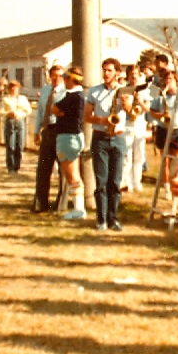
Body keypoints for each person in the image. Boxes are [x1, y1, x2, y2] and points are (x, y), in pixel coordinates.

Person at [85, 58, 128, 231]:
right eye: (104, 70)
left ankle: (113, 218)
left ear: (117, 72)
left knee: (115, 182)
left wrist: (127, 103)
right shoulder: (95, 92)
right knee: (101, 180)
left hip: (118, 138)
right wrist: (101, 119)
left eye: (110, 70)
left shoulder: (124, 91)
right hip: (100, 138)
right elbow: (86, 116)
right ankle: (101, 219)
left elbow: (132, 113)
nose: (106, 73)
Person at [149, 69, 178, 201]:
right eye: (166, 80)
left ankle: (175, 188)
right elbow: (152, 112)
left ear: (176, 81)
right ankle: (166, 188)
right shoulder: (161, 96)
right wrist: (162, 115)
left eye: (171, 79)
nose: (168, 82)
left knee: (176, 162)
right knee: (165, 161)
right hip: (163, 129)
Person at [53, 66, 88, 219]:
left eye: (65, 78)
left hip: (68, 137)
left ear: (71, 79)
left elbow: (55, 109)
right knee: (73, 175)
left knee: (72, 176)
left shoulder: (73, 96)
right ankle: (78, 208)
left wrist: (60, 112)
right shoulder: (78, 96)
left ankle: (78, 209)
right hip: (72, 136)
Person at [33, 66, 65, 213]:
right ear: (49, 76)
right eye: (54, 76)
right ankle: (40, 203)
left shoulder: (67, 91)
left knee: (63, 169)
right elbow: (40, 111)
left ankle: (60, 203)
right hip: (47, 130)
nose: (56, 78)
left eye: (59, 76)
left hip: (61, 130)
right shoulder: (45, 90)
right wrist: (36, 131)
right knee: (43, 168)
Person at [120, 65, 151, 193]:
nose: (133, 76)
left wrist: (139, 101)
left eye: (136, 74)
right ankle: (126, 182)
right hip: (127, 123)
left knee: (139, 155)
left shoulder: (145, 89)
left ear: (139, 75)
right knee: (127, 155)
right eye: (131, 74)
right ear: (127, 75)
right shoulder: (123, 89)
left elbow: (148, 108)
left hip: (139, 123)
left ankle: (136, 181)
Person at [1, 80, 32, 173]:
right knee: (10, 145)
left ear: (19, 89)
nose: (13, 89)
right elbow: (1, 111)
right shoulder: (6, 99)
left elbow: (28, 110)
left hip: (20, 121)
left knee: (20, 145)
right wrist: (8, 113)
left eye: (16, 87)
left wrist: (20, 113)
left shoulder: (23, 99)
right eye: (12, 87)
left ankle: (17, 166)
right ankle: (10, 166)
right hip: (10, 121)